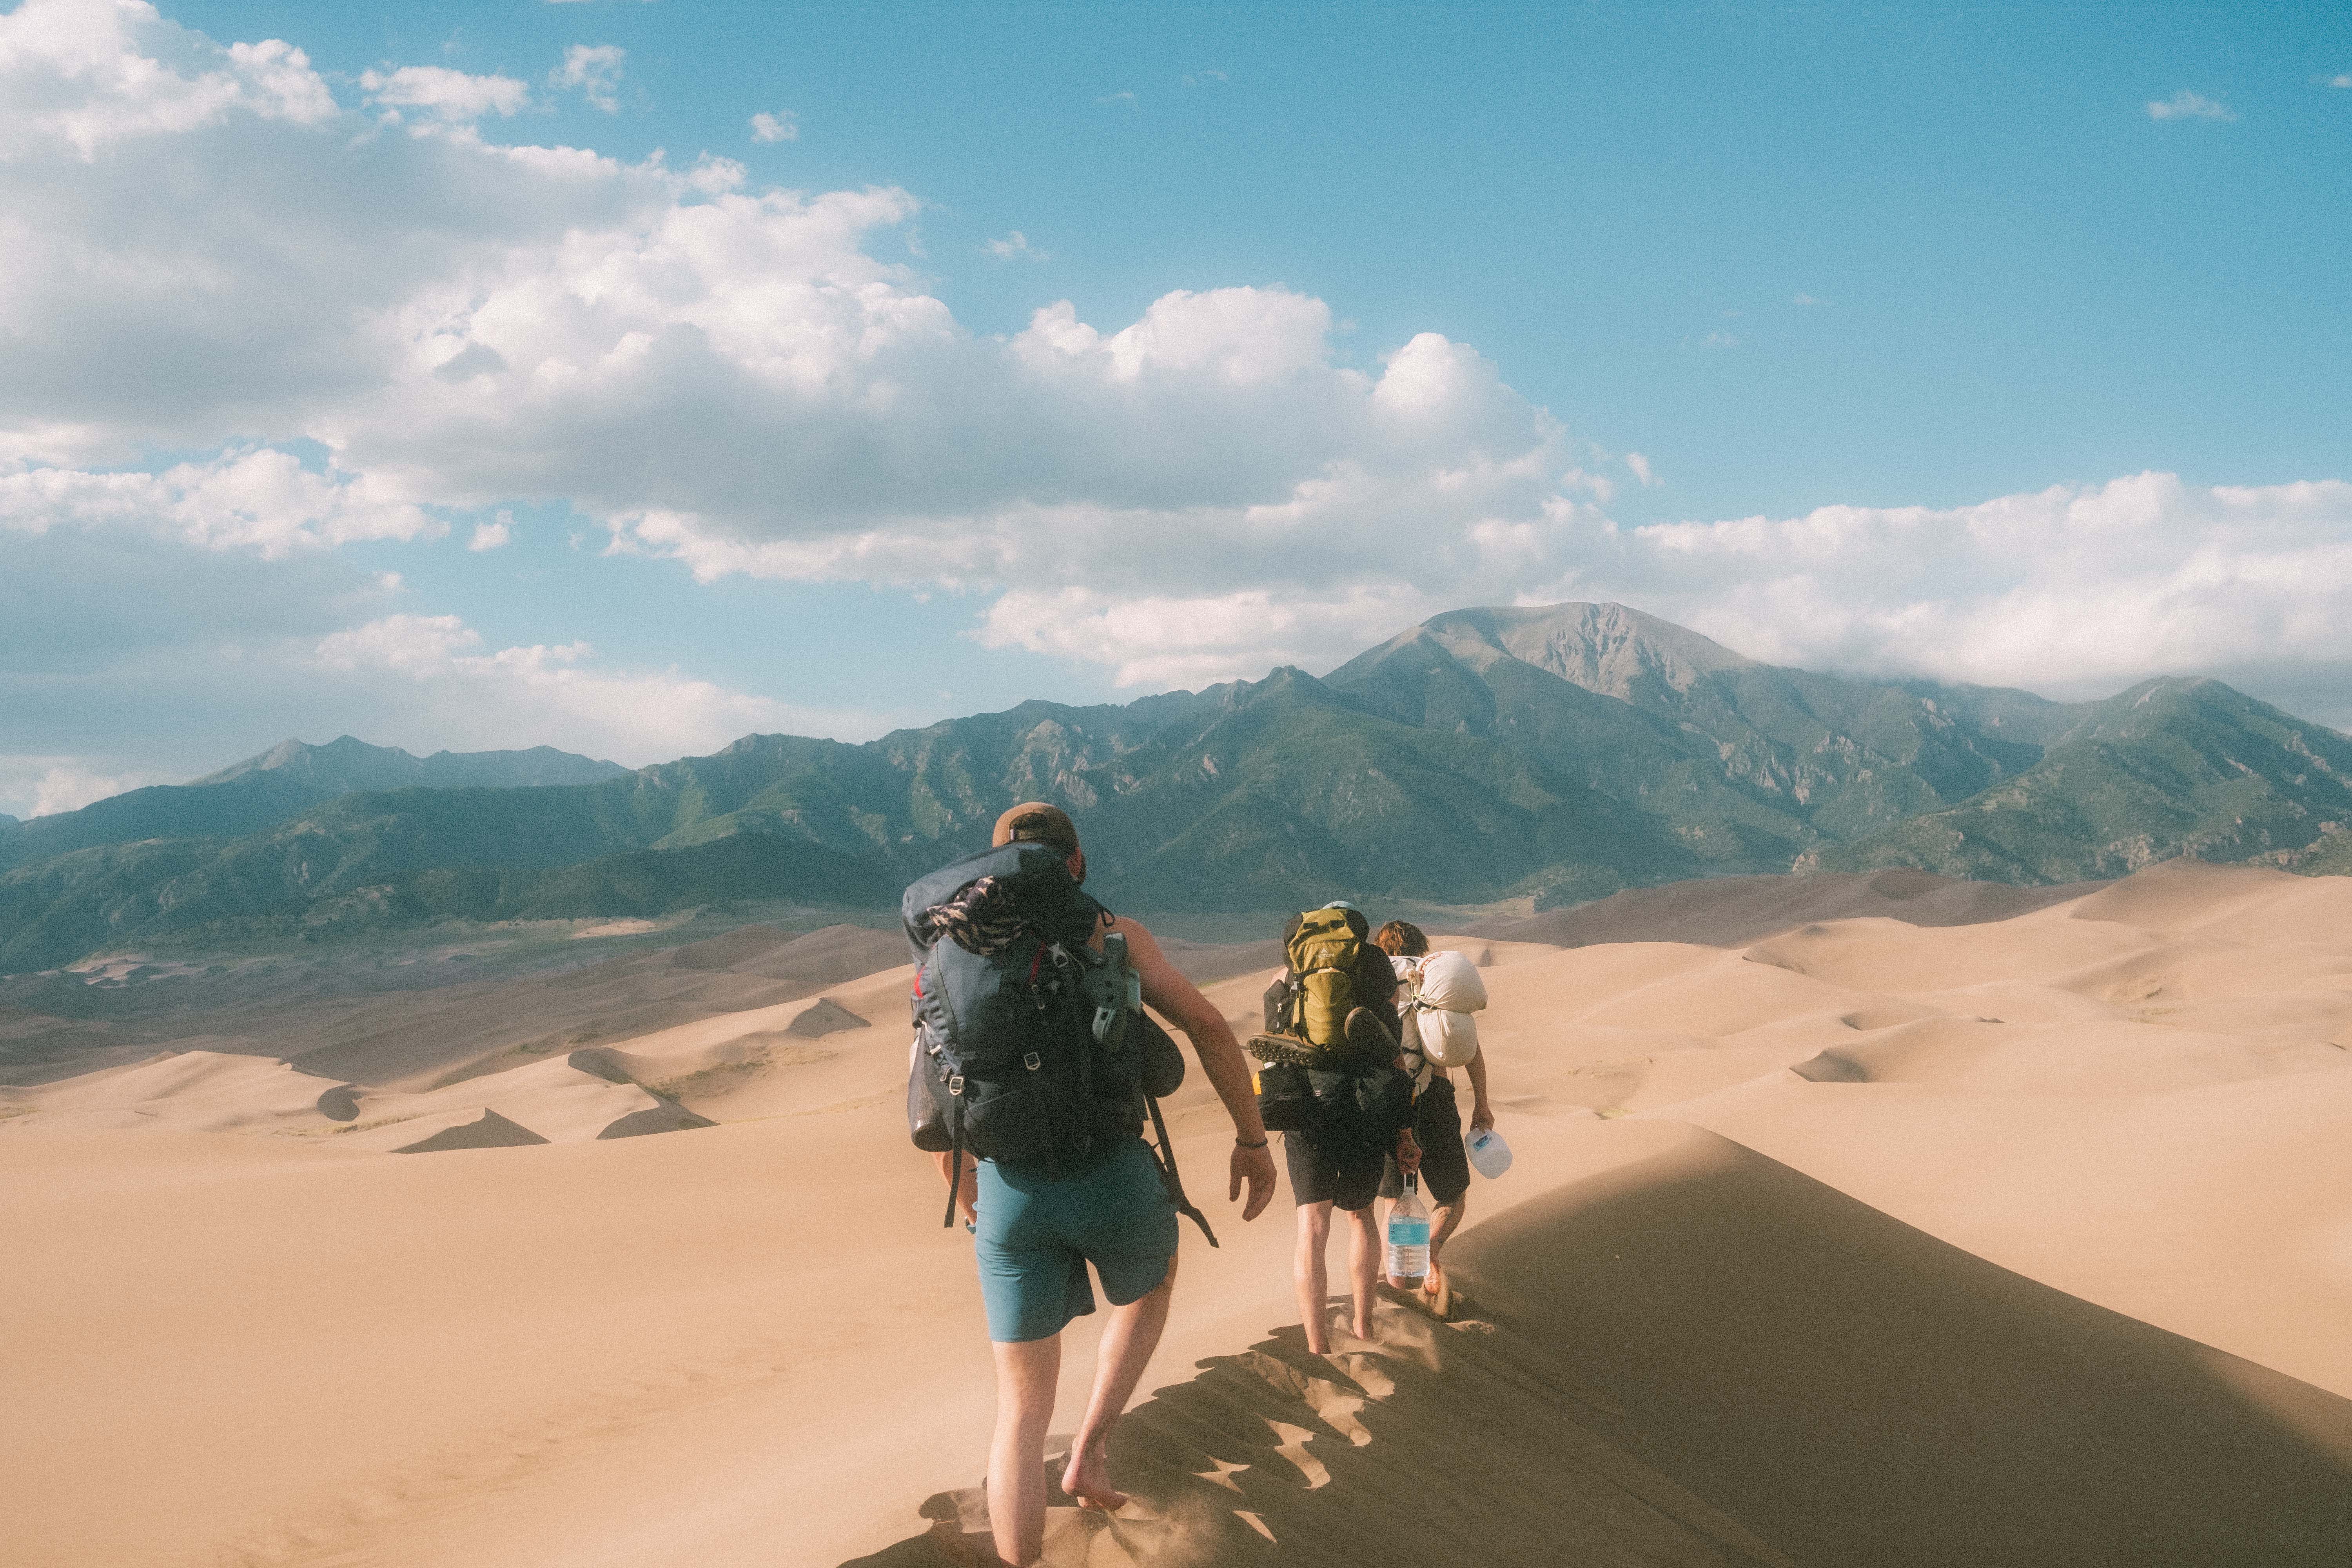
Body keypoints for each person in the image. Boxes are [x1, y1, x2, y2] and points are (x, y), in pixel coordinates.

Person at [933, 802, 1277, 1568]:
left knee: (1021, 1409)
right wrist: (1253, 1140)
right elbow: (1210, 1027)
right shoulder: (1113, 935)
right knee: (1154, 1281)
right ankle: (1089, 1451)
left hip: (1009, 1191)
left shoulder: (945, 954)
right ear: (1077, 863)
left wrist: (970, 1195)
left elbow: (936, 1096)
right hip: (1114, 1174)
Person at [1268, 901, 1422, 1355]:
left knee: (1312, 1226)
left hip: (1305, 1102)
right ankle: (1363, 1326)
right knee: (1361, 1217)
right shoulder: (1375, 966)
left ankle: (1317, 1346)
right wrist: (1405, 1132)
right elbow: (1393, 1051)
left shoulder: (1290, 973)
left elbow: (1273, 1040)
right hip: (1363, 1103)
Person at [1373, 919, 1494, 1317]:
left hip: (1388, 1102)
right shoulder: (1433, 981)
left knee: (1393, 1195)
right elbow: (1469, 1047)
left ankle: (1397, 1284)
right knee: (1452, 1194)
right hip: (1434, 1097)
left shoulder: (1376, 983)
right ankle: (1432, 1249)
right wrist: (1482, 1103)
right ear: (1422, 945)